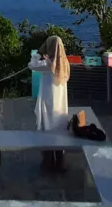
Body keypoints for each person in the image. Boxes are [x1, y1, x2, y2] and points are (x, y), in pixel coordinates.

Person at [28, 35, 71, 172]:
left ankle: (47, 162)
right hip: (61, 103)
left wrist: (37, 55)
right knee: (60, 128)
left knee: (48, 127)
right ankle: (61, 162)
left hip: (48, 101)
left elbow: (31, 66)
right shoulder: (65, 64)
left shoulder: (47, 64)